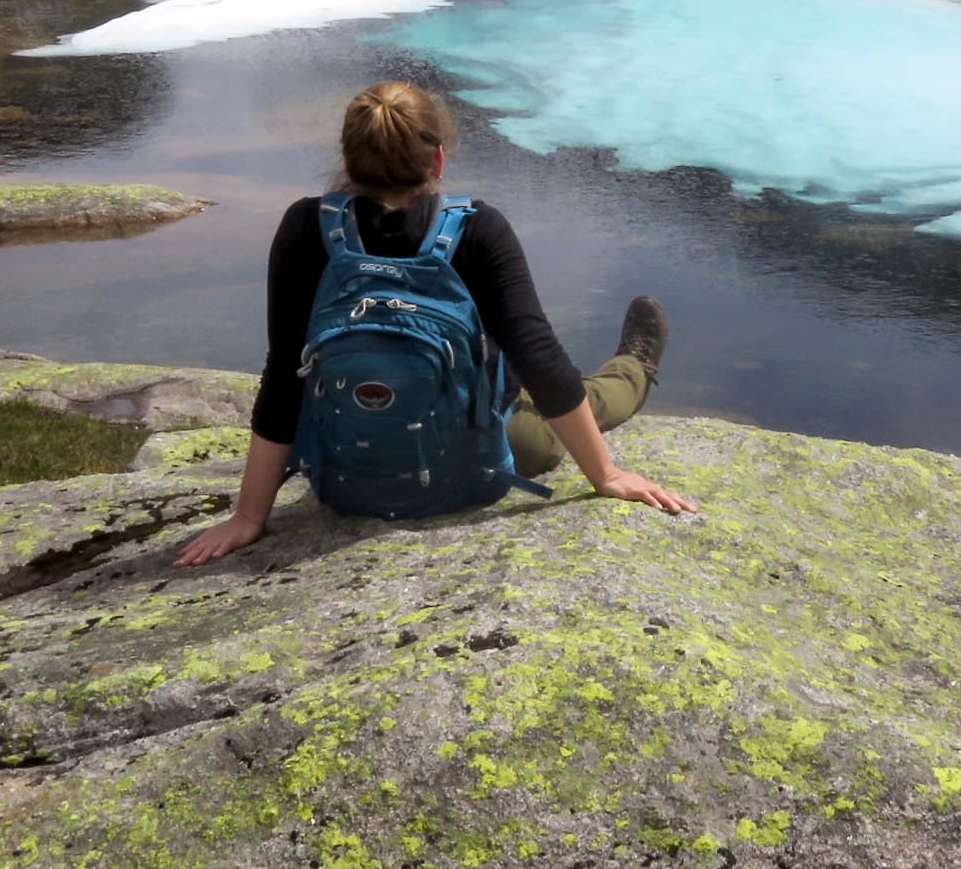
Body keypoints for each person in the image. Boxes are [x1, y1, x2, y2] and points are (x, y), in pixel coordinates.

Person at [176, 80, 694, 566]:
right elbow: (538, 356)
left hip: (346, 476)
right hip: (472, 468)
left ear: (347, 161)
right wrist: (606, 474)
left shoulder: (305, 227)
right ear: (438, 159)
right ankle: (634, 366)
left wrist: (249, 517)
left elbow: (284, 372)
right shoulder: (478, 229)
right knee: (573, 406)